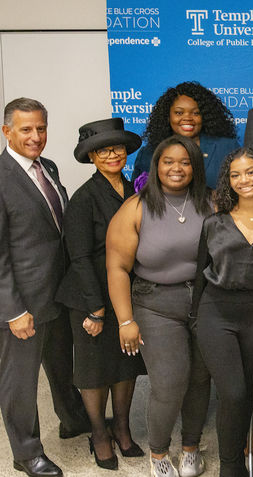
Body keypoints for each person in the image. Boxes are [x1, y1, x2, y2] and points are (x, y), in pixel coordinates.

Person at [106, 135, 213, 477]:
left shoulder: (211, 204)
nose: (176, 168)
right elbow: (117, 268)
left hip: (204, 301)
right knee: (169, 383)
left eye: (185, 162)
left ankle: (191, 447)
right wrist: (126, 321)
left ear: (195, 167)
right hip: (155, 304)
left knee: (199, 379)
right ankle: (159, 452)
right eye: (168, 161)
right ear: (156, 166)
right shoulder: (135, 208)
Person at [0, 97, 90, 477]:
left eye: (41, 128)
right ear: (6, 131)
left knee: (60, 365)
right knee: (20, 383)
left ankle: (72, 420)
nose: (35, 136)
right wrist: (12, 311)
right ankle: (26, 452)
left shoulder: (47, 167)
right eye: (25, 129)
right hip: (23, 303)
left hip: (56, 293)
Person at [193, 147, 253, 477]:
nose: (243, 180)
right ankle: (231, 467)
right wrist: (196, 319)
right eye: (235, 174)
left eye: (250, 172)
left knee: (251, 391)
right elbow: (200, 274)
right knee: (232, 392)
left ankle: (250, 453)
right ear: (228, 181)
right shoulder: (214, 223)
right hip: (216, 312)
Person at [55, 118, 147, 470]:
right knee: (95, 372)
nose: (113, 154)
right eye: (104, 150)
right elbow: (78, 257)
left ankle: (122, 429)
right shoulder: (84, 198)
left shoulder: (134, 190)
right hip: (88, 296)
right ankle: (99, 435)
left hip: (124, 294)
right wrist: (95, 308)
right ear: (92, 157)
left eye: (118, 148)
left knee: (126, 364)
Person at [131, 81, 240, 188]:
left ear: (205, 116)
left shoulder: (227, 148)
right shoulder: (148, 153)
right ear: (167, 116)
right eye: (179, 113)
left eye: (196, 113)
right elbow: (138, 196)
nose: (187, 118)